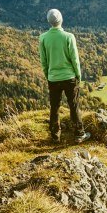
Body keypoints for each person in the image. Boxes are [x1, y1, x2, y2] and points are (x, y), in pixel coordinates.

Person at [39, 9, 90, 143]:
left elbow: (43, 61)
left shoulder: (43, 38)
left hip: (53, 78)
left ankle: (55, 136)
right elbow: (75, 59)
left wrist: (48, 75)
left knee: (54, 107)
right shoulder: (69, 36)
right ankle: (79, 134)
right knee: (73, 106)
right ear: (61, 19)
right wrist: (78, 76)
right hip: (69, 78)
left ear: (49, 21)